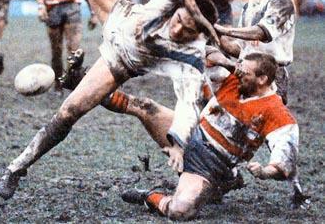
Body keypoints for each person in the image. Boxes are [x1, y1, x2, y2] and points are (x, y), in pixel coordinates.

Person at [0, 0, 220, 200]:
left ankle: (16, 168)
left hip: (121, 61)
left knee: (69, 110)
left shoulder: (192, 59)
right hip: (119, 12)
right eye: (180, 20)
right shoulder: (174, 1)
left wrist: (178, 145)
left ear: (196, 36)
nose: (178, 28)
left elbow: (186, 106)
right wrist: (190, 1)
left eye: (186, 31)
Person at [121, 53, 299, 220]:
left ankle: (150, 196)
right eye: (239, 69)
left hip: (211, 164)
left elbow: (285, 163)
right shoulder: (230, 78)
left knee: (180, 211)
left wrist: (264, 172)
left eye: (246, 73)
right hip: (192, 135)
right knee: (143, 106)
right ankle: (102, 94)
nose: (239, 74)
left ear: (262, 79)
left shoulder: (278, 113)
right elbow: (204, 52)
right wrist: (229, 63)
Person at [214, 0, 296, 105]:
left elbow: (262, 32)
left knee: (263, 127)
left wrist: (226, 30)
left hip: (269, 77)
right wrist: (216, 35)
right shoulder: (250, 5)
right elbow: (240, 49)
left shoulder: (282, 1)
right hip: (244, 73)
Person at [36, 0, 84, 92]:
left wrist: (94, 12)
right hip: (53, 7)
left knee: (74, 49)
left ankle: (73, 83)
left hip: (73, 6)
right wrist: (41, 5)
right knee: (56, 51)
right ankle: (58, 83)